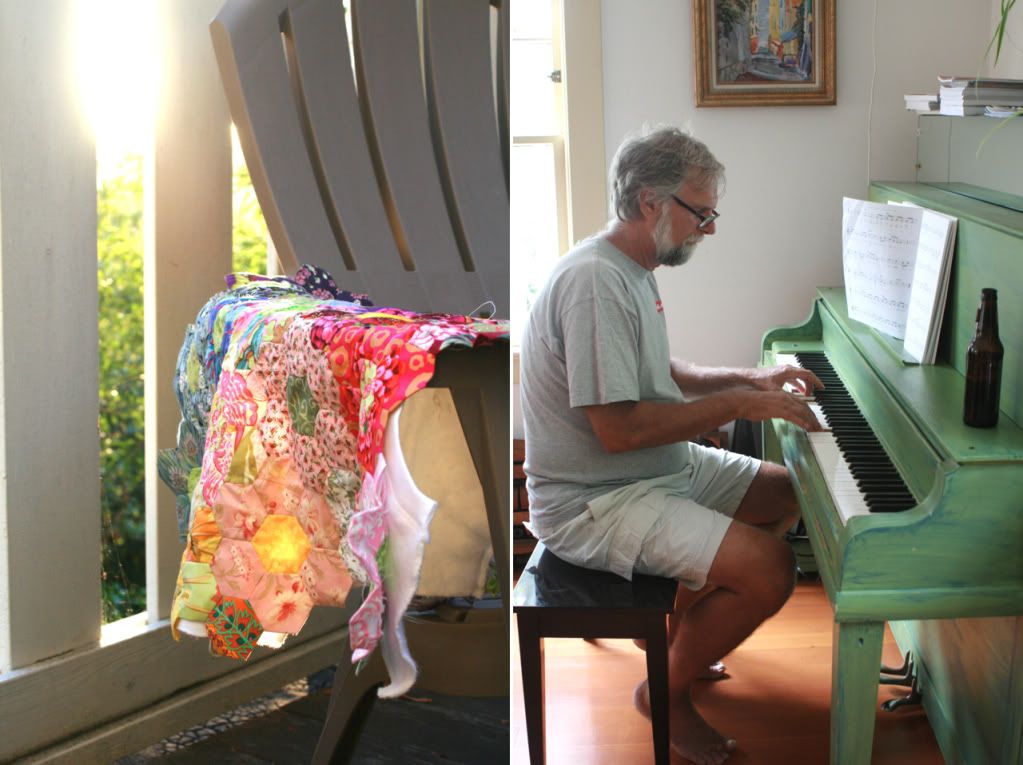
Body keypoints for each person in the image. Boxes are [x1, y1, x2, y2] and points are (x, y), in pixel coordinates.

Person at [519, 127, 823, 765]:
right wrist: (738, 404)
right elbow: (619, 430)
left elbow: (663, 371)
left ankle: (681, 634)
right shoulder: (594, 283)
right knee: (772, 570)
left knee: (789, 493)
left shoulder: (631, 266)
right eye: (700, 212)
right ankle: (665, 692)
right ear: (651, 202)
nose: (708, 229)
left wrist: (748, 377)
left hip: (654, 472)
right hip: (594, 501)